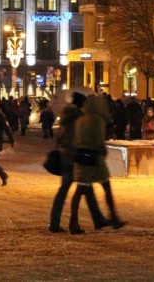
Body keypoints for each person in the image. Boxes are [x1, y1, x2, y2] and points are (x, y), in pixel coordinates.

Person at [48, 92, 107, 234]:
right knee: (85, 188)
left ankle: (55, 223)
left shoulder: (67, 117)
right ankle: (88, 221)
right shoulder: (78, 119)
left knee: (72, 190)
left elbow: (61, 138)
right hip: (76, 158)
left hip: (67, 157)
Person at [71, 95, 126, 233]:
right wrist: (103, 152)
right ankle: (113, 216)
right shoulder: (98, 120)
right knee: (106, 187)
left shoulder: (81, 120)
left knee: (80, 190)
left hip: (81, 157)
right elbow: (99, 141)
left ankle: (74, 220)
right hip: (94, 158)